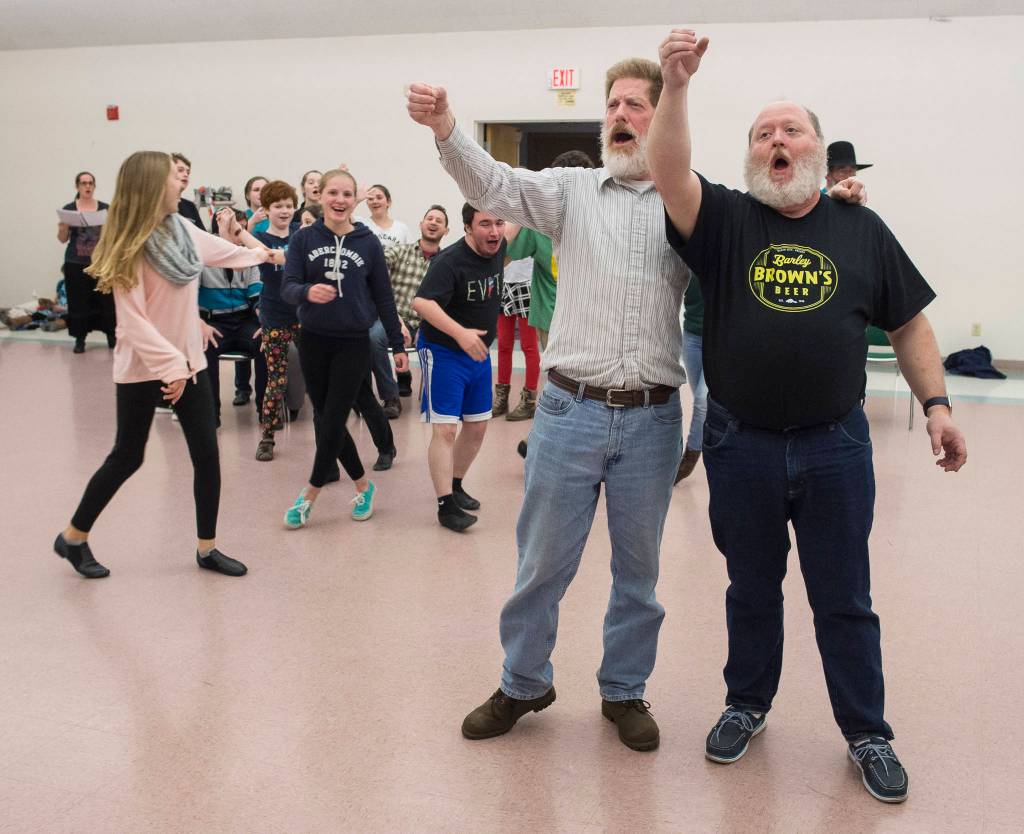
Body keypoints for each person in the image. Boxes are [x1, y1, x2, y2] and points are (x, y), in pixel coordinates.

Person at [648, 28, 968, 803]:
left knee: (843, 596)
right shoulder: (723, 219)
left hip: (835, 446)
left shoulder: (862, 228)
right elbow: (666, 169)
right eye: (763, 133)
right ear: (751, 155)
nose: (776, 140)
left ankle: (867, 732)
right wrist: (676, 84)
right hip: (741, 442)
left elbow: (910, 324)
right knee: (750, 587)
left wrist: (938, 404)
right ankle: (747, 703)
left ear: (820, 153)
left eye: (791, 130)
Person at [408, 60, 692, 752]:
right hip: (570, 411)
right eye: (612, 103)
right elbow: (494, 184)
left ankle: (624, 690)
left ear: (663, 116)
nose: (620, 114)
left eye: (636, 104)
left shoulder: (688, 204)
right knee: (541, 562)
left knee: (640, 571)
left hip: (653, 418)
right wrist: (447, 127)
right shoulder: (569, 192)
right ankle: (523, 681)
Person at [52, 151, 282, 579]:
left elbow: (224, 252)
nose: (181, 184)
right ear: (153, 187)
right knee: (128, 456)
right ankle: (73, 536)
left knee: (207, 454)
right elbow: (133, 324)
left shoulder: (181, 230)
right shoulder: (130, 245)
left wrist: (267, 256)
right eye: (174, 178)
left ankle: (207, 549)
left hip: (187, 364)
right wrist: (171, 367)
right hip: (144, 367)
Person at [279, 168, 408, 528]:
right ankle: (364, 486)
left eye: (347, 194)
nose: (339, 200)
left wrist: (396, 345)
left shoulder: (367, 242)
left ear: (356, 200)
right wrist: (307, 292)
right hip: (314, 340)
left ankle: (309, 495)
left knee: (333, 418)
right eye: (332, 193)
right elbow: (287, 287)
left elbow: (384, 296)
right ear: (320, 196)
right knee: (327, 420)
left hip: (354, 341)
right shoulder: (305, 239)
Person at [411, 204, 505, 533]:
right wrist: (461, 333)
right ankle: (444, 504)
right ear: (467, 227)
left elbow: (518, 220)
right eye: (484, 224)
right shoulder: (448, 261)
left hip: (477, 352)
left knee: (477, 427)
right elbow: (421, 303)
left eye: (498, 223)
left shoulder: (500, 242)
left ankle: (456, 483)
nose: (493, 231)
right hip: (444, 351)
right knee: (446, 429)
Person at [504, 150, 596, 460]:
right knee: (559, 382)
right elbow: (509, 251)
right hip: (550, 317)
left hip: (589, 317)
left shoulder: (600, 221)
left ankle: (551, 437)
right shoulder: (540, 222)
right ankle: (543, 438)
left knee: (584, 381)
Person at [200, 209, 267, 426]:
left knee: (265, 342)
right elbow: (187, 297)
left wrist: (265, 324)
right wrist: (200, 324)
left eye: (239, 227)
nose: (236, 232)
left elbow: (256, 295)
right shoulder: (201, 258)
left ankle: (266, 411)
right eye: (231, 226)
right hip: (213, 321)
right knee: (205, 345)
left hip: (244, 319)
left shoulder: (248, 257)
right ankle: (211, 415)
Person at [250, 179, 301, 461]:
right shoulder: (261, 238)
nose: (284, 211)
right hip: (274, 317)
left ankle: (328, 431)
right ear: (266, 209)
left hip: (305, 315)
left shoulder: (301, 234)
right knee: (276, 379)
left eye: (289, 206)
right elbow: (260, 254)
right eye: (278, 206)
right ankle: (267, 437)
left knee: (320, 373)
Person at [383, 205, 449, 397]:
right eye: (430, 219)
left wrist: (427, 326)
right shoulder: (400, 252)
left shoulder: (446, 262)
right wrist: (396, 321)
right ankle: (389, 394)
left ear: (446, 231)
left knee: (441, 338)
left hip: (425, 322)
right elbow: (377, 265)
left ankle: (436, 393)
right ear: (421, 224)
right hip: (394, 319)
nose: (433, 223)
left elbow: (447, 302)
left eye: (439, 221)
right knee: (373, 338)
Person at [359, 184, 410, 418]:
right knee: (364, 338)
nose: (375, 201)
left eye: (380, 197)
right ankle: (363, 397)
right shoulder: (361, 226)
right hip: (365, 298)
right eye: (371, 198)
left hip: (392, 298)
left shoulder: (401, 229)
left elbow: (409, 258)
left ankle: (390, 396)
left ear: (389, 201)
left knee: (375, 337)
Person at [57, 171, 115, 353]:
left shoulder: (105, 208)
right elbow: (62, 239)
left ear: (94, 186)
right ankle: (80, 339)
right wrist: (63, 227)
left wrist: (108, 227)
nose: (87, 186)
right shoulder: (68, 208)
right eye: (83, 183)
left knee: (106, 301)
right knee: (78, 302)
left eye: (90, 183)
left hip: (100, 262)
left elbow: (112, 237)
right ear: (77, 186)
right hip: (75, 262)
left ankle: (111, 336)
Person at [491, 249, 539, 421]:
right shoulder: (502, 223)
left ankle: (529, 401)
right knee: (503, 344)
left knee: (529, 345)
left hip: (527, 281)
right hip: (504, 281)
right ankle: (501, 398)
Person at [675, 278, 706, 483]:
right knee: (704, 400)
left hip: (722, 336)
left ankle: (690, 457)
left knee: (703, 401)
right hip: (692, 335)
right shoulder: (691, 248)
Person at [172, 153, 205, 230]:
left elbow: (203, 235)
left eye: (188, 172)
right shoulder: (159, 205)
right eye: (180, 170)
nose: (186, 174)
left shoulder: (190, 206)